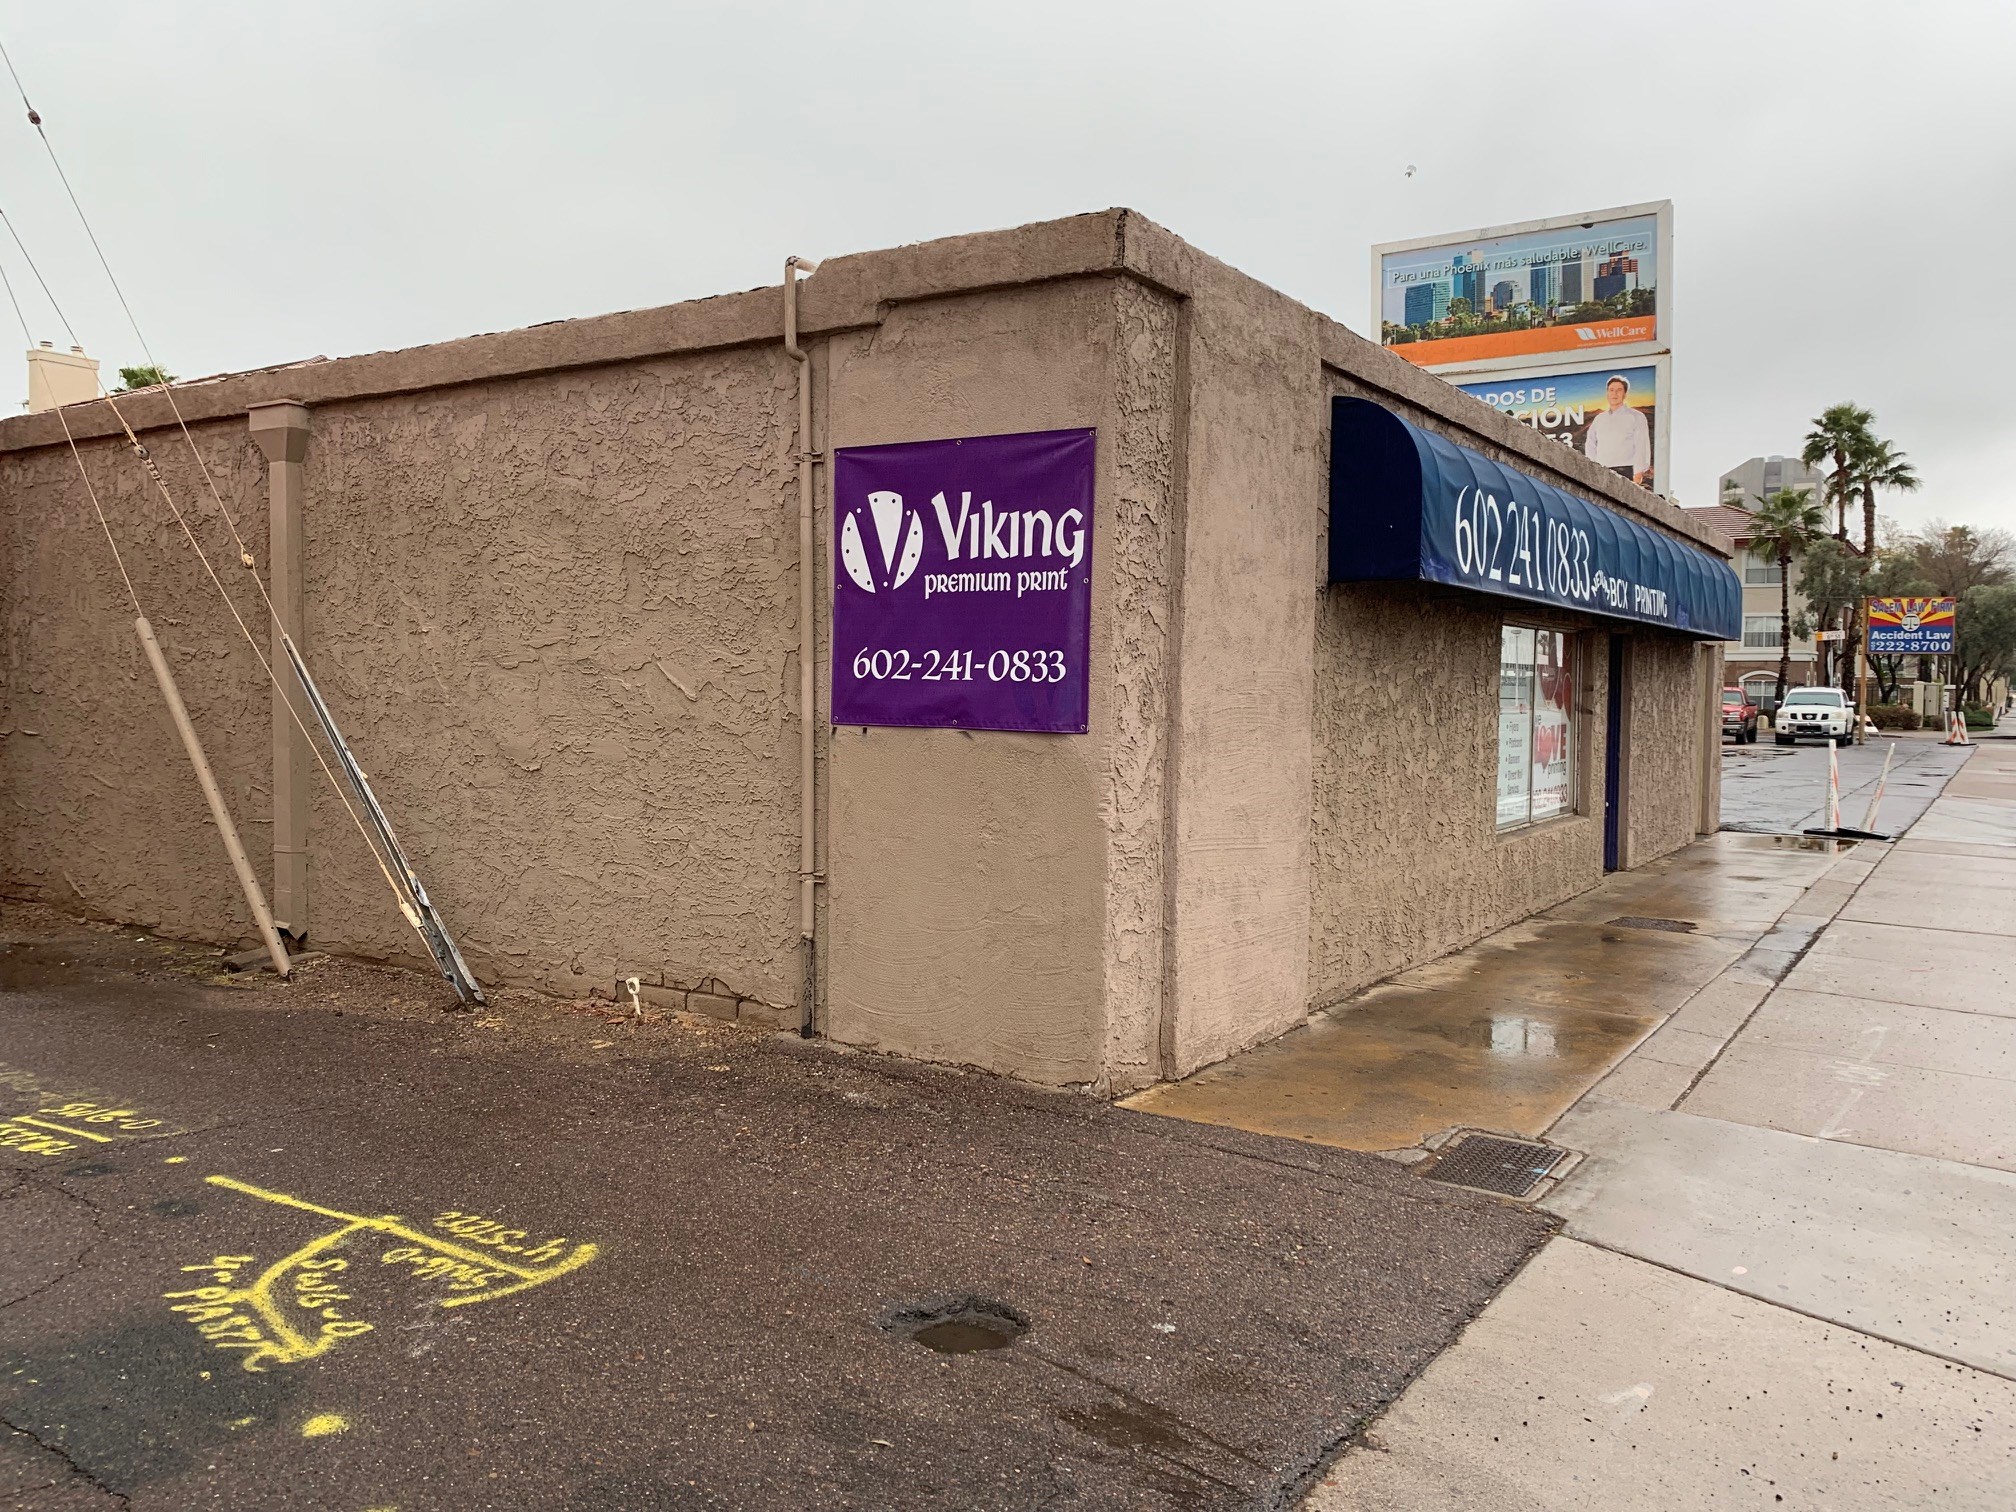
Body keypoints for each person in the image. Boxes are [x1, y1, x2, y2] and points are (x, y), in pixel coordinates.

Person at [1583, 375, 1651, 486]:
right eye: (1611, 390)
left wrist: (1638, 471)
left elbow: (1642, 445)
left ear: (1625, 394)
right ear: (1607, 393)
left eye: (1619, 390)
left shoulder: (1636, 416)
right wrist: (1593, 466)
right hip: (1602, 470)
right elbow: (1590, 442)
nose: (1615, 394)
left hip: (1627, 470)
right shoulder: (1599, 418)